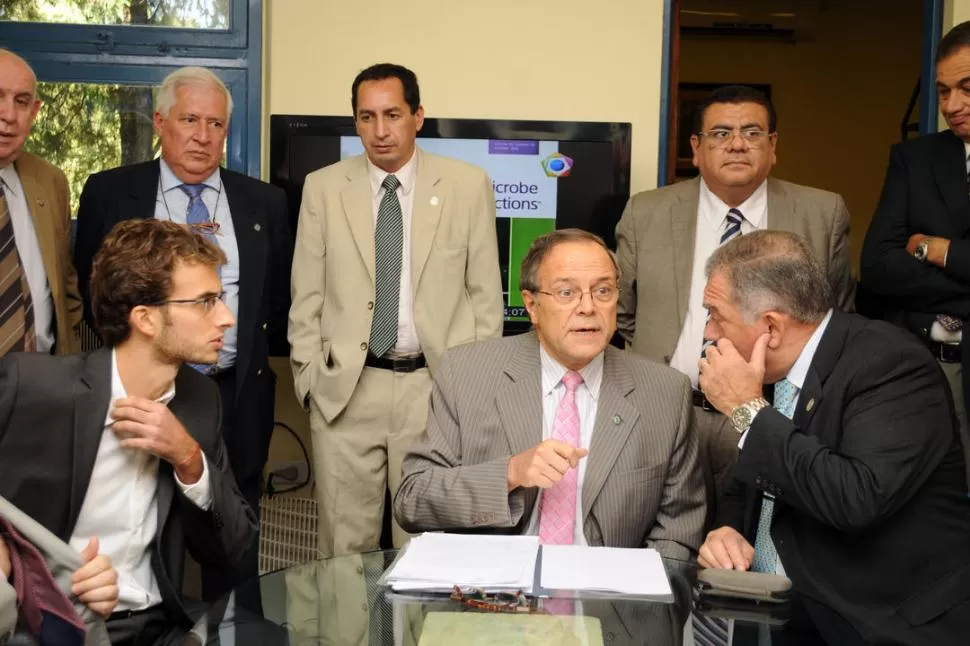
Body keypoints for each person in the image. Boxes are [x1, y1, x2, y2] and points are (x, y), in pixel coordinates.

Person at [73, 66, 292, 605]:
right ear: (160, 122)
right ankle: (142, 615)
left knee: (233, 523)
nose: (202, 134)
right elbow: (93, 288)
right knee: (140, 508)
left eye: (215, 123)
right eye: (189, 119)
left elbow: (278, 297)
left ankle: (235, 632)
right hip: (144, 391)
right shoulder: (109, 191)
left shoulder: (264, 203)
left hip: (235, 393)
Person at [697, 230, 970, 644]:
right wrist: (730, 528)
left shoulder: (891, 365)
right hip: (781, 613)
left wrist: (746, 409)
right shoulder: (769, 368)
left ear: (770, 326)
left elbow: (854, 498)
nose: (708, 332)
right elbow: (755, 477)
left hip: (878, 623)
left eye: (716, 315)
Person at [0, 219, 256, 645]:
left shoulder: (199, 400)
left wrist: (188, 459)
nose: (227, 318)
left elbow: (232, 549)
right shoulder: (33, 388)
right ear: (146, 318)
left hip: (161, 626)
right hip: (50, 629)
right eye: (207, 301)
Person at [289, 62, 503, 557]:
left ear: (418, 116)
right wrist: (310, 382)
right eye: (366, 117)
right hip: (346, 390)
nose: (380, 131)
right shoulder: (323, 188)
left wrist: (470, 395)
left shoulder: (467, 186)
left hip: (435, 391)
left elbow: (485, 300)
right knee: (345, 552)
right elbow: (307, 298)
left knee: (428, 549)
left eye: (392, 114)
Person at [614, 84, 855, 521]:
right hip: (672, 411)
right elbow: (624, 314)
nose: (738, 144)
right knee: (664, 538)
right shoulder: (646, 212)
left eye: (752, 132)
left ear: (773, 145)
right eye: (721, 134)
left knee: (753, 542)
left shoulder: (822, 213)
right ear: (696, 148)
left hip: (776, 414)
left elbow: (834, 316)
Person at [394, 229, 705, 560]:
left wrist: (633, 603)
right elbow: (413, 501)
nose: (588, 307)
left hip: (607, 595)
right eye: (566, 292)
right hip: (493, 591)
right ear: (532, 305)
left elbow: (678, 533)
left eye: (603, 291)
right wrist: (511, 473)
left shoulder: (664, 392)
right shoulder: (467, 373)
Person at [860, 20, 970, 487]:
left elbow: (907, 262)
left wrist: (938, 250)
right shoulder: (916, 158)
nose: (952, 105)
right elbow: (878, 266)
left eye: (967, 88)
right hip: (923, 365)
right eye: (944, 91)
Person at [0, 49, 82, 357]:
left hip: (45, 385)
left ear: (34, 112)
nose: (8, 115)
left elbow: (65, 289)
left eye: (21, 102)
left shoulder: (50, 181)